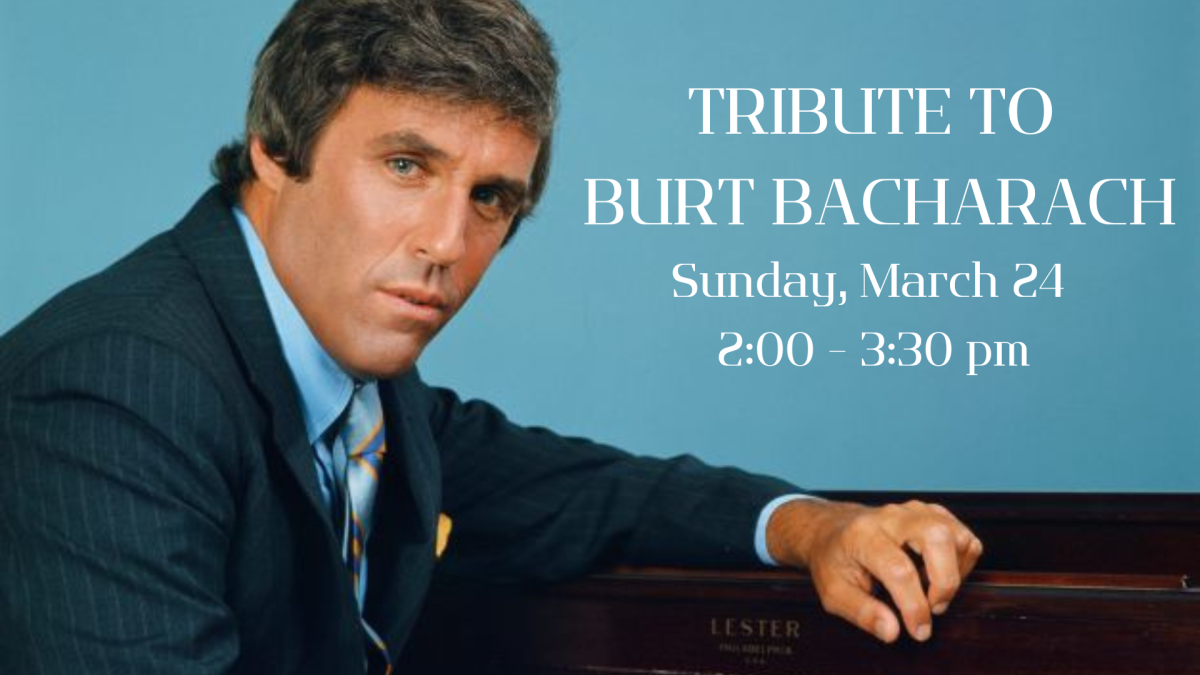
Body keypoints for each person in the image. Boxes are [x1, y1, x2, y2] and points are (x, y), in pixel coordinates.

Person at [0, 0, 982, 673]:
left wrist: (815, 527)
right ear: (275, 148)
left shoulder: (356, 392)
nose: (446, 243)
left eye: (492, 199)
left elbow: (590, 494)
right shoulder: (116, 386)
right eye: (404, 164)